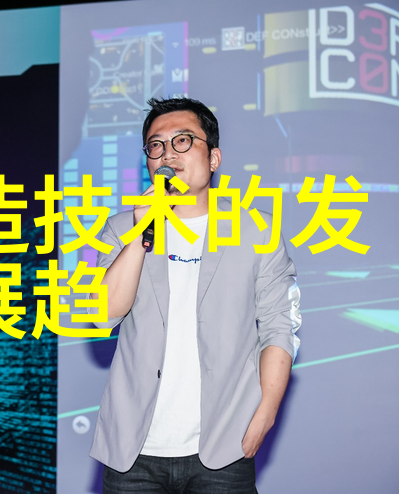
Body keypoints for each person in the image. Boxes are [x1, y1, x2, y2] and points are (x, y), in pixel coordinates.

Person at [90, 97, 301, 493]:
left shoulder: (257, 231)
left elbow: (279, 327)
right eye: (156, 145)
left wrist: (266, 414)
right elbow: (102, 315)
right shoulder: (121, 228)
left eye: (183, 140)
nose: (168, 154)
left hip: (224, 446)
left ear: (214, 157)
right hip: (134, 452)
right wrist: (139, 233)